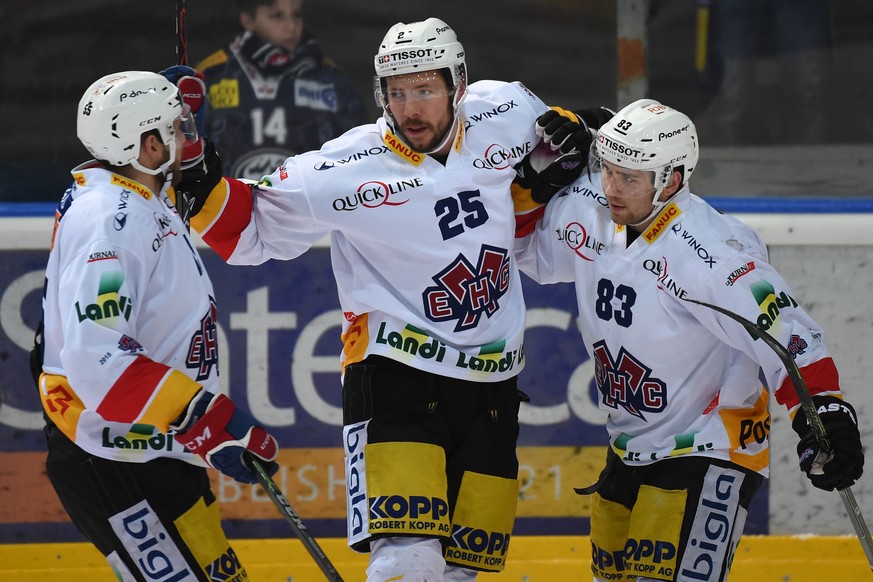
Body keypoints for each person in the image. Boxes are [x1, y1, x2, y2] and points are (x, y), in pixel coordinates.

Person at [171, 16, 601, 582]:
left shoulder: (510, 110)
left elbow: (587, 157)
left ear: (459, 85)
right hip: (396, 372)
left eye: (425, 89)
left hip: (493, 385)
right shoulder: (347, 168)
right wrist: (189, 149)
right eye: (396, 93)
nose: (410, 108)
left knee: (459, 570)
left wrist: (585, 129)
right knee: (408, 556)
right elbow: (239, 229)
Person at [514, 99, 864, 581]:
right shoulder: (594, 209)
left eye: (629, 178)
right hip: (628, 445)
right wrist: (539, 181)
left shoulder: (714, 255)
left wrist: (824, 412)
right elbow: (520, 251)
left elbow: (788, 336)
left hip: (710, 447)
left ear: (672, 180)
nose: (611, 187)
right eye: (608, 169)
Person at [35, 70, 280, 581]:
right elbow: (97, 358)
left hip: (160, 448)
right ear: (148, 146)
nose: (190, 138)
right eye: (178, 128)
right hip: (113, 455)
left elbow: (169, 171)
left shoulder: (141, 193)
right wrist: (202, 418)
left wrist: (167, 109)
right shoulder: (109, 220)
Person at [194, 0, 368, 179]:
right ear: (247, 20)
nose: (290, 26)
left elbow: (361, 154)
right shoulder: (211, 76)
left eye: (296, 15)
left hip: (309, 203)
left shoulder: (331, 79)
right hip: (231, 202)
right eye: (277, 16)